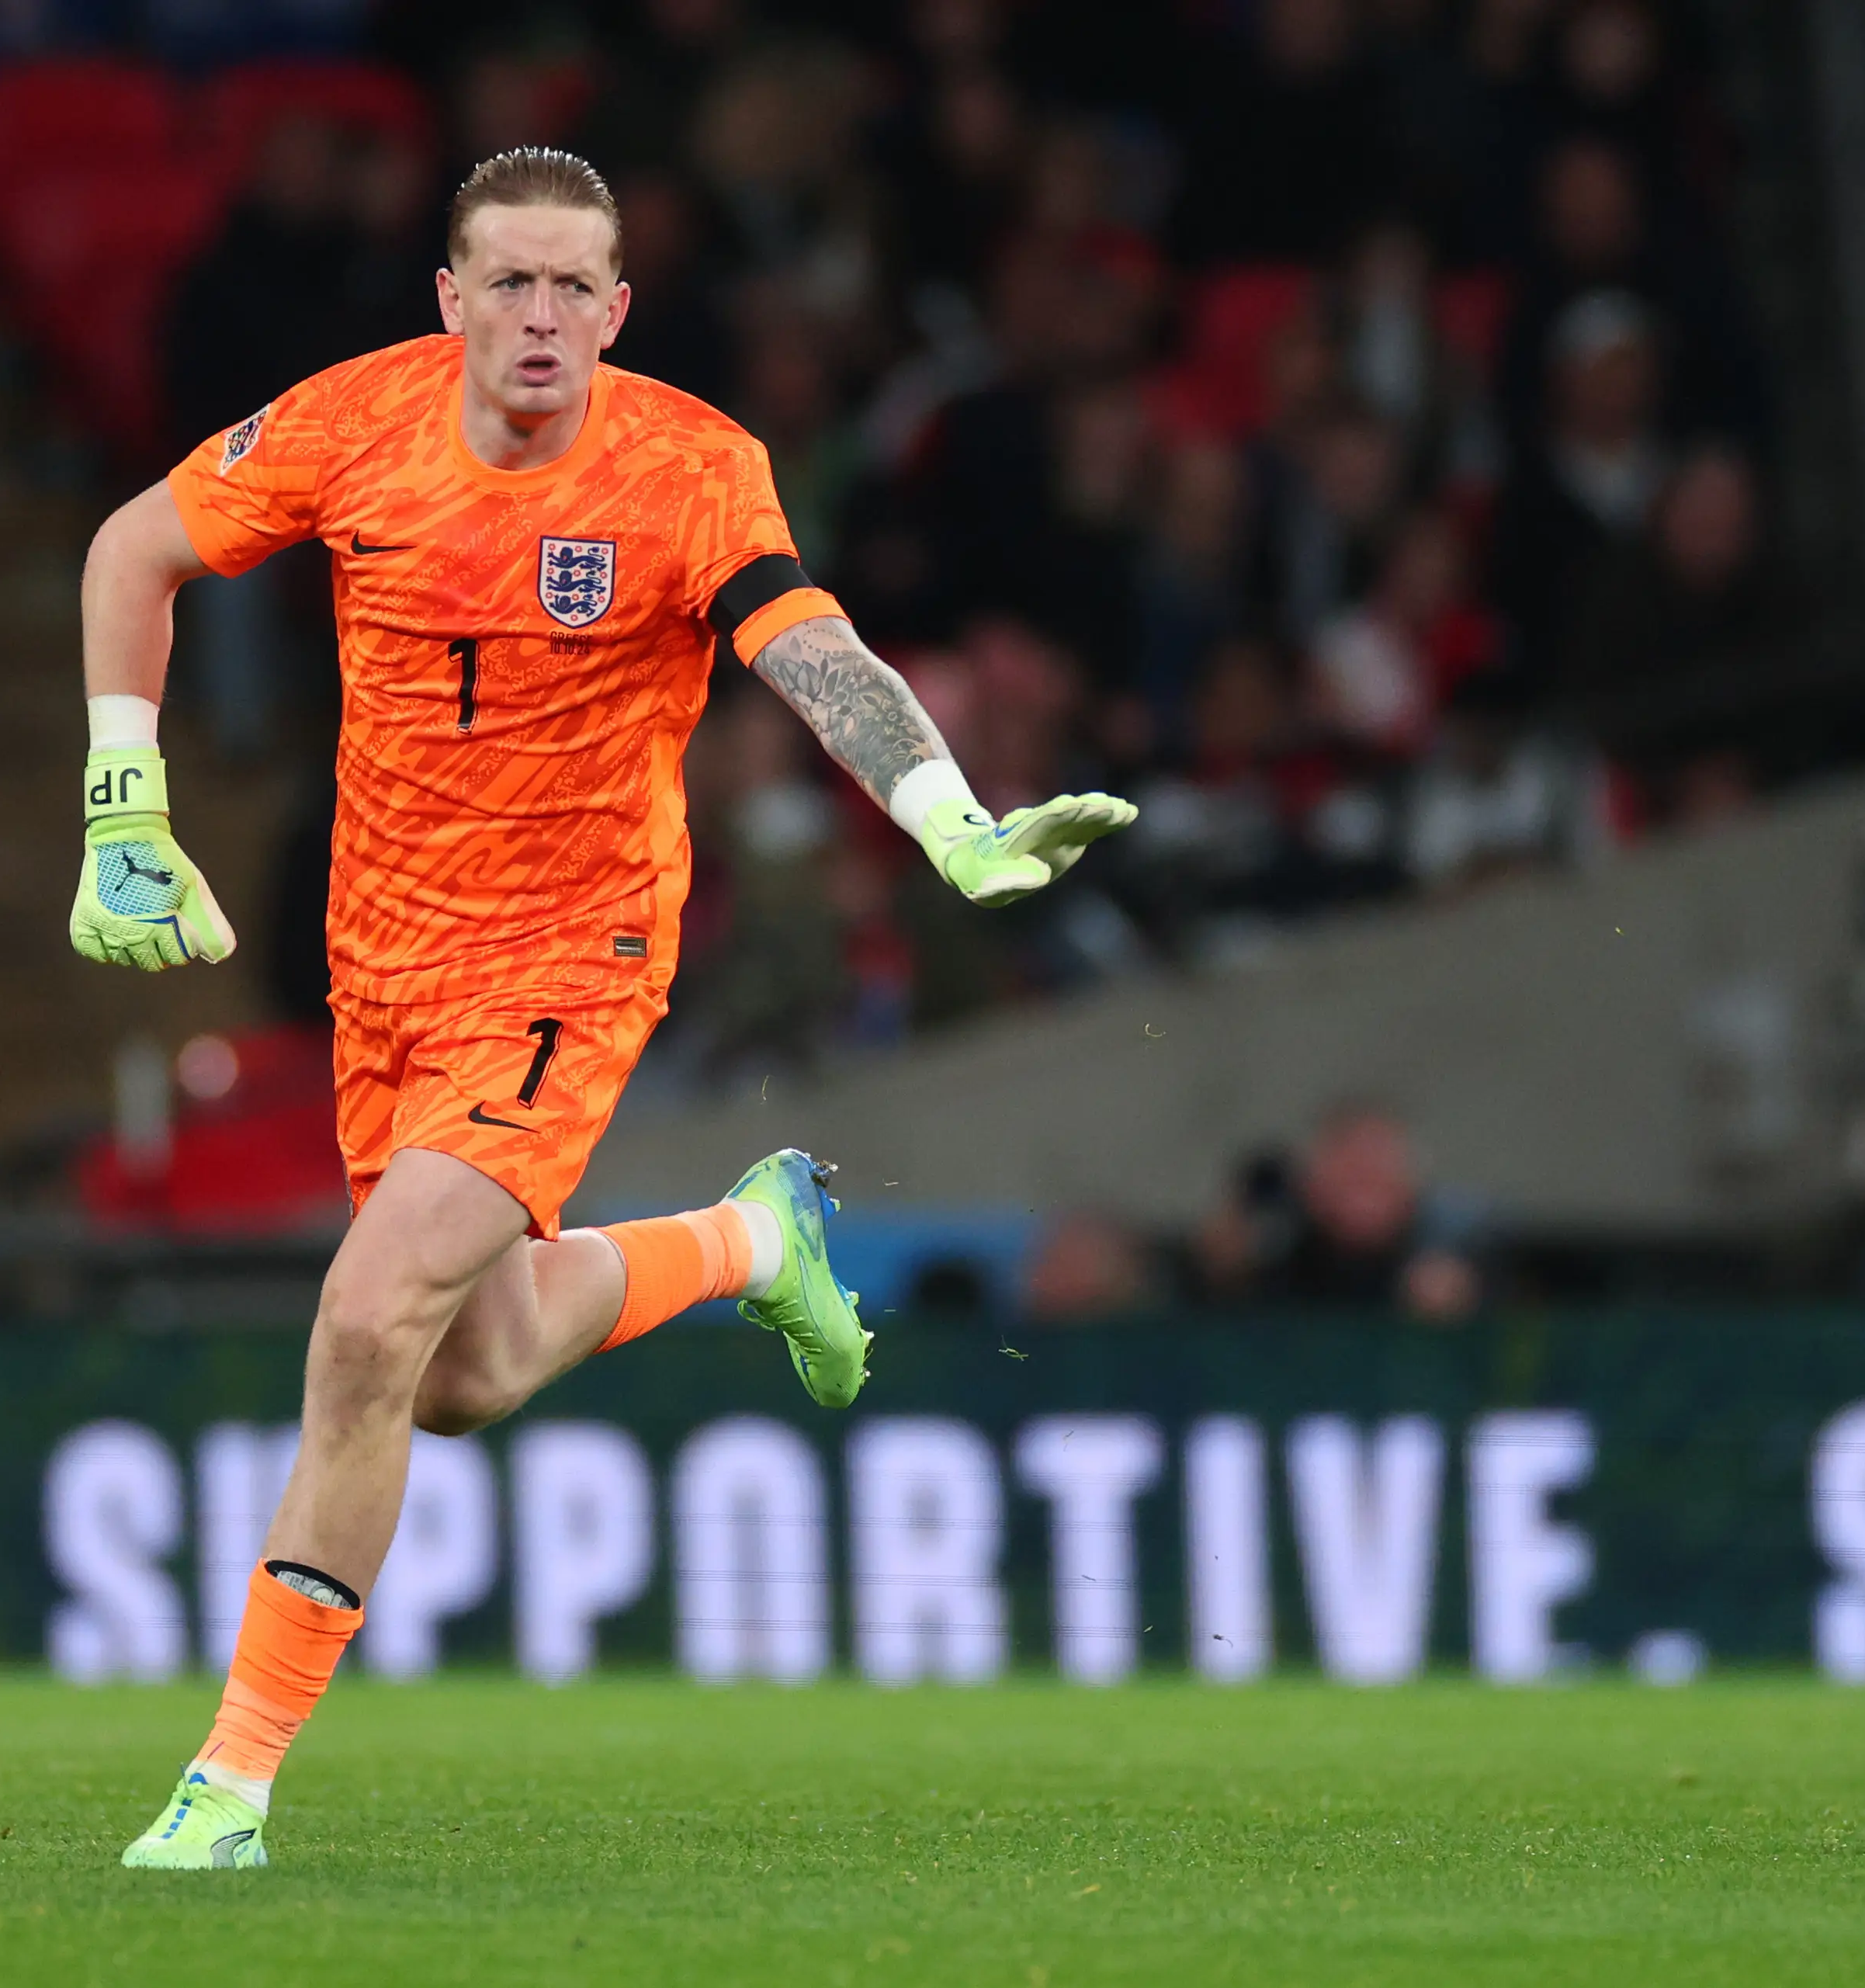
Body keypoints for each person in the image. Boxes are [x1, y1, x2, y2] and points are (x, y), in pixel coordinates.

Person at [68, 147, 1136, 1869]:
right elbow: (135, 547)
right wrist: (127, 800)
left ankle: (229, 1783)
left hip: (570, 963)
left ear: (619, 309)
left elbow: (809, 645)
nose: (543, 315)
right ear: (452, 300)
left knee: (362, 1321)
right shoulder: (355, 423)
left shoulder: (690, 464)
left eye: (576, 286)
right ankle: (747, 1243)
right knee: (461, 1370)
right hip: (382, 969)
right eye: (510, 281)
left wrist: (949, 816)